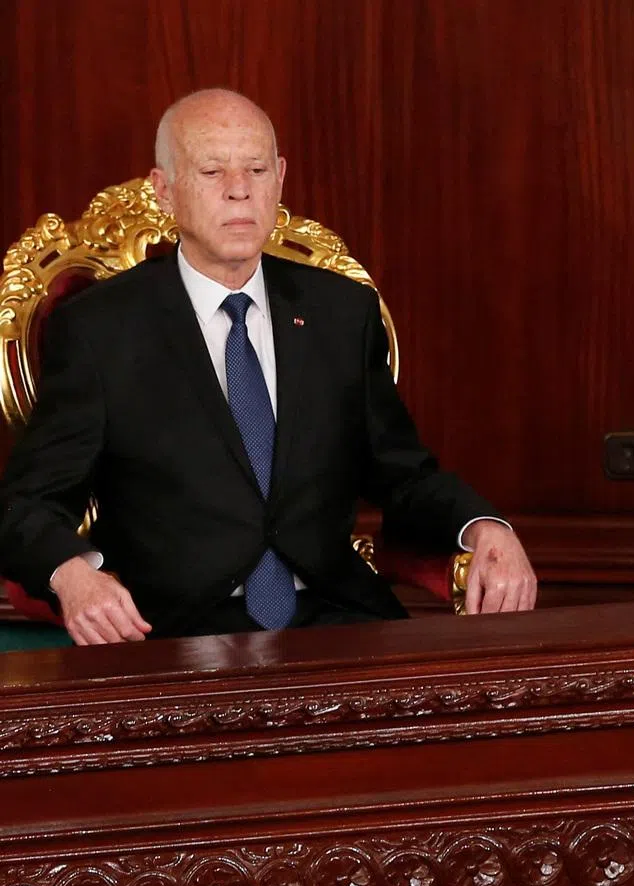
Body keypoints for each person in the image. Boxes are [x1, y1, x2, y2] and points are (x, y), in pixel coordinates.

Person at [0, 89, 536, 644]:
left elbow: (403, 473)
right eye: (212, 171)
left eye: (257, 168)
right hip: (175, 633)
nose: (240, 190)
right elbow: (27, 505)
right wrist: (73, 575)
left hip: (335, 618)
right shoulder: (101, 329)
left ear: (279, 178)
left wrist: (485, 527)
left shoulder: (340, 313)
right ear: (164, 191)